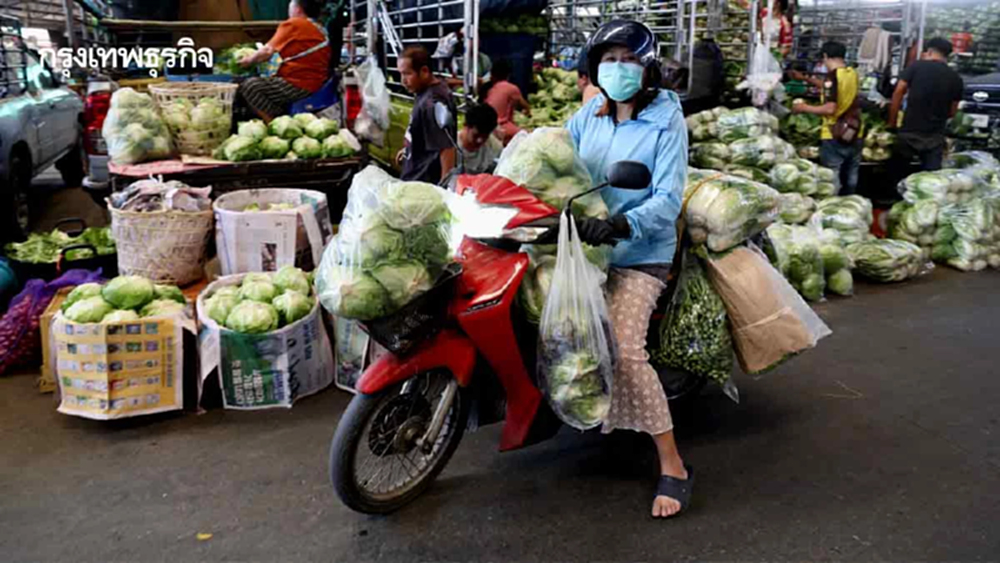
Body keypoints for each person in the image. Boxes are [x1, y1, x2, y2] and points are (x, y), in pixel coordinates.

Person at [566, 20, 693, 519]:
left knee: (623, 349)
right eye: (609, 59)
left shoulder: (667, 120)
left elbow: (667, 199)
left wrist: (622, 224)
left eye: (629, 59)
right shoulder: (589, 115)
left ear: (649, 68)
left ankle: (673, 463)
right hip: (585, 243)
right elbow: (558, 159)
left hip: (641, 252)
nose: (618, 68)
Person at [236, 0, 331, 120]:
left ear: (297, 9)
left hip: (299, 84)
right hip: (317, 82)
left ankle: (273, 124)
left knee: (250, 86)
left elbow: (267, 51)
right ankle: (281, 116)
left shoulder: (294, 24)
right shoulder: (318, 27)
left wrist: (248, 61)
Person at [790, 41, 862, 195]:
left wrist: (804, 108)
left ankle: (833, 206)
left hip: (834, 133)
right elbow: (833, 88)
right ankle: (850, 203)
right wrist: (805, 79)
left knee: (831, 176)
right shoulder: (852, 73)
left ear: (825, 56)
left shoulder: (832, 77)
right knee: (851, 174)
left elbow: (830, 108)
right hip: (854, 131)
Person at [888, 38, 964, 181]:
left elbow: (898, 92)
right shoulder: (956, 78)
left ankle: (894, 198)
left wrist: (892, 122)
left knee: (898, 174)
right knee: (931, 179)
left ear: (929, 51)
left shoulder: (916, 67)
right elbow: (953, 112)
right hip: (935, 135)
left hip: (909, 130)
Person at [397, 46, 458, 184]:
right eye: (401, 74)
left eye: (407, 74)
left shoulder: (432, 102)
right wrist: (408, 150)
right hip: (414, 174)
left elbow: (446, 148)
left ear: (424, 71)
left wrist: (444, 188)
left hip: (422, 183)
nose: (403, 80)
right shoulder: (424, 91)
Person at [441, 103, 503, 188]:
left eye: (485, 137)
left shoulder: (494, 147)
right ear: (466, 126)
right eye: (476, 135)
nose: (480, 140)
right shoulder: (451, 147)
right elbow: (445, 180)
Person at [482, 59, 530, 145]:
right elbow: (525, 106)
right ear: (508, 75)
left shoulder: (489, 89)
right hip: (500, 126)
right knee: (528, 136)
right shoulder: (511, 88)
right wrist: (528, 114)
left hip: (485, 125)